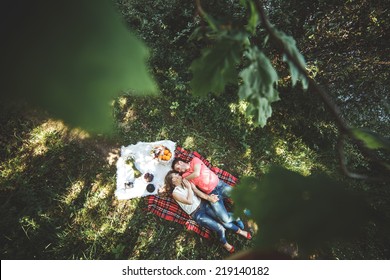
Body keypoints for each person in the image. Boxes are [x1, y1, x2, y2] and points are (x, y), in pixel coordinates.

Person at [164, 170, 251, 253]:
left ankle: (240, 231)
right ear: (173, 180)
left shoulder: (186, 182)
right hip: (197, 213)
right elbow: (189, 201)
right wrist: (189, 188)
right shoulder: (175, 193)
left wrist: (208, 197)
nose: (178, 175)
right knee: (219, 228)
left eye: (177, 174)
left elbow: (197, 191)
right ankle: (224, 242)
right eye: (175, 175)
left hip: (204, 204)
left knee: (223, 221)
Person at [172, 157, 243, 227]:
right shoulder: (184, 175)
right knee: (225, 219)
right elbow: (195, 190)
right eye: (177, 171)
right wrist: (209, 198)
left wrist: (185, 179)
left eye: (178, 168)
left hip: (220, 186)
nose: (179, 171)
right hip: (212, 194)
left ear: (180, 162)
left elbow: (196, 173)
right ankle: (236, 218)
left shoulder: (194, 160)